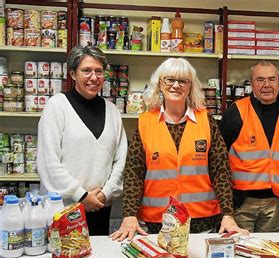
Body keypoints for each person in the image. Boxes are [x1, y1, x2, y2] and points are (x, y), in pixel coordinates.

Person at [110, 58, 247, 241]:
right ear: (160, 83)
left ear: (191, 86)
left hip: (202, 223)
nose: (176, 85)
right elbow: (133, 174)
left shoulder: (207, 121)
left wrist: (228, 215)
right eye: (170, 80)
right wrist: (129, 215)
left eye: (183, 81)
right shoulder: (145, 122)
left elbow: (221, 172)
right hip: (156, 224)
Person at [37, 45, 127, 235]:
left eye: (99, 71)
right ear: (72, 74)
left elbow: (121, 159)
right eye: (86, 71)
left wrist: (106, 193)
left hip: (101, 206)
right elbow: (49, 163)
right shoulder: (56, 106)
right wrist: (81, 196)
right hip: (64, 209)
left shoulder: (112, 111)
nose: (93, 77)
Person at [219, 61, 279, 233]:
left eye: (272, 79)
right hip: (242, 203)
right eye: (260, 80)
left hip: (278, 204)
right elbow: (218, 159)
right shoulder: (236, 111)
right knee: (239, 254)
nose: (266, 85)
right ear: (251, 84)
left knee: (271, 253)